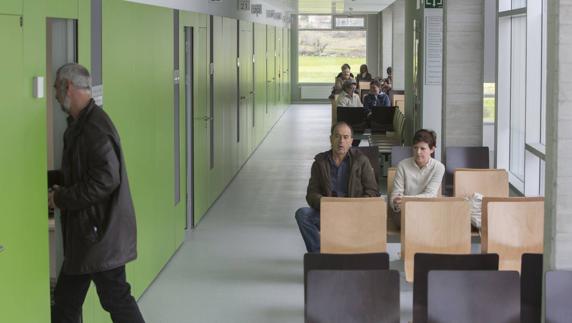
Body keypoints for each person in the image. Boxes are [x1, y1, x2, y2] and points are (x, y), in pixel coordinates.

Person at [48, 63, 145, 323]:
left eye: (56, 88)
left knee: (114, 298)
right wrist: (50, 179)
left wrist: (61, 198)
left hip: (98, 235)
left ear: (68, 87)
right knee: (67, 303)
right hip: (90, 235)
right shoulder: (82, 124)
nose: (55, 95)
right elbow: (84, 173)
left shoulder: (94, 127)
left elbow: (105, 180)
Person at [294, 122, 379, 252]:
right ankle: (318, 254)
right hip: (328, 211)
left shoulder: (361, 161)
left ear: (351, 141)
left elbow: (373, 191)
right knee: (302, 214)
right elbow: (311, 193)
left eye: (345, 137)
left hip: (354, 212)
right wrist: (326, 203)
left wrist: (356, 205)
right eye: (337, 136)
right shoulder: (320, 162)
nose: (341, 141)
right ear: (331, 139)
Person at [389, 129, 445, 228]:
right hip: (405, 212)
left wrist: (406, 199)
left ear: (432, 149)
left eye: (422, 148)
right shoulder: (403, 165)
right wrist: (396, 203)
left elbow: (430, 195)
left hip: (427, 211)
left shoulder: (439, 167)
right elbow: (395, 194)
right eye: (415, 148)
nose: (418, 152)